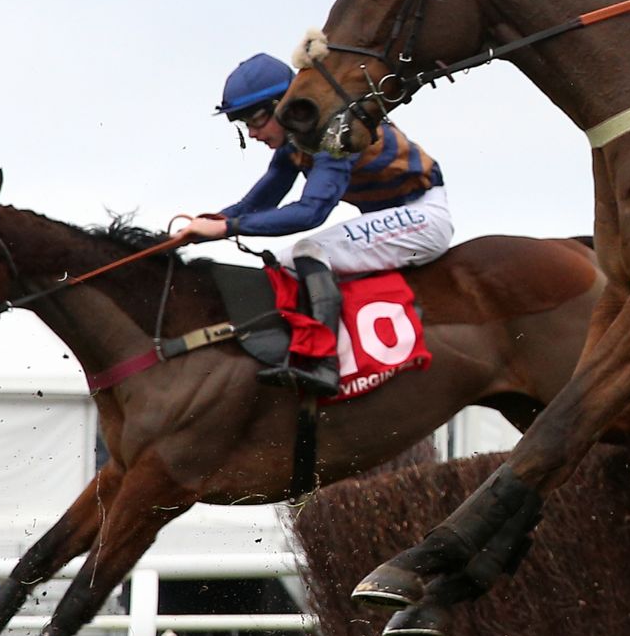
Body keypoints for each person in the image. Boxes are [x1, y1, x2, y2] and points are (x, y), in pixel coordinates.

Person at [183, 53, 453, 396]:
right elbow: (257, 204)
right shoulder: (297, 141)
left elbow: (312, 211)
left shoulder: (335, 134)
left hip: (425, 217)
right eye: (243, 125)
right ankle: (310, 353)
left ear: (285, 104)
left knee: (310, 251)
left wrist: (226, 228)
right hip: (394, 218)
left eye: (255, 120)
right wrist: (199, 229)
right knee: (284, 261)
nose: (251, 134)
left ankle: (326, 365)